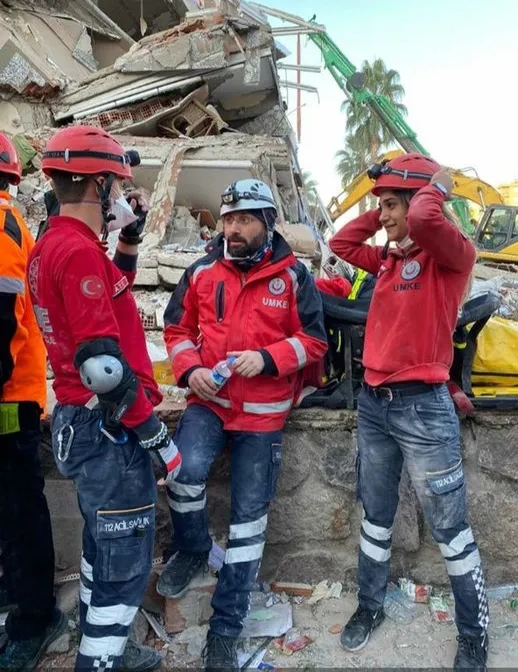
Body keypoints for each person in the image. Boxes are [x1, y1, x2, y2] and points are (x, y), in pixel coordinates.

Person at [27, 125, 182, 672]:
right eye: (114, 185)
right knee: (124, 560)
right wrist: (156, 434)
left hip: (79, 422)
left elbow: (108, 291)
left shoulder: (56, 245)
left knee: (100, 547)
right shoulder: (76, 252)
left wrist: (130, 239)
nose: (118, 194)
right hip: (109, 428)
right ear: (96, 186)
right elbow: (102, 368)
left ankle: (106, 643)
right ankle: (100, 659)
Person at [330, 154, 489, 671]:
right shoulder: (392, 260)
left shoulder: (453, 257)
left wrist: (434, 188)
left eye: (393, 204)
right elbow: (340, 244)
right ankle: (370, 606)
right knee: (375, 517)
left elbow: (424, 219)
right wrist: (384, 212)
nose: (389, 215)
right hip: (375, 405)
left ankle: (473, 635)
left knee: (450, 528)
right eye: (384, 207)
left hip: (423, 409)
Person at [161, 179, 328, 670]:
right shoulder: (202, 270)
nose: (232, 228)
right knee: (182, 474)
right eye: (228, 219)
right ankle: (192, 549)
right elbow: (176, 328)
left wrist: (268, 358)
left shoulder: (295, 277)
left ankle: (225, 629)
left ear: (267, 223)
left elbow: (315, 343)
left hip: (263, 418)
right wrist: (191, 370)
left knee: (248, 523)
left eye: (244, 220)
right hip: (208, 406)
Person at [0, 132, 66, 669]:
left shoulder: (2, 225)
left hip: (8, 397)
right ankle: (16, 589)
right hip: (12, 391)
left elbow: (2, 321)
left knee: (19, 505)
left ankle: (36, 615)